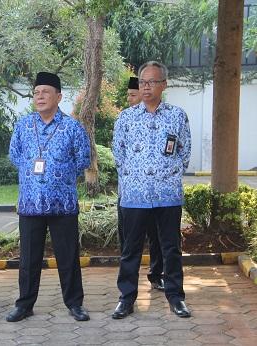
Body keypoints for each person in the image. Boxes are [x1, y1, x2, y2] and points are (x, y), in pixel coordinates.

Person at [7, 72, 91, 322]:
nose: (40, 96)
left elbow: (83, 159)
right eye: (36, 92)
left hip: (62, 203)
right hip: (30, 203)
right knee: (29, 259)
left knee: (67, 257)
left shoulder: (73, 127)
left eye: (45, 92)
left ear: (59, 96)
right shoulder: (23, 125)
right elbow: (15, 155)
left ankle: (75, 304)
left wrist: (59, 175)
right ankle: (24, 304)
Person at [112, 61, 192, 319]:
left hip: (167, 195)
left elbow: (185, 151)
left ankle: (176, 297)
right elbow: (119, 153)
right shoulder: (126, 117)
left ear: (164, 85)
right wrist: (131, 178)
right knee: (130, 249)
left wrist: (168, 176)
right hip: (134, 196)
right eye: (143, 82)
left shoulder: (177, 115)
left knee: (170, 248)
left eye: (152, 82)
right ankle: (126, 298)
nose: (146, 87)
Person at [117, 77, 165, 292]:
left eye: (132, 94)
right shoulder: (125, 119)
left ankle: (157, 274)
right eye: (128, 95)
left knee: (157, 236)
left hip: (157, 194)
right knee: (129, 240)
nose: (130, 98)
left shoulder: (164, 119)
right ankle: (127, 289)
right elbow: (119, 154)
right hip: (130, 193)